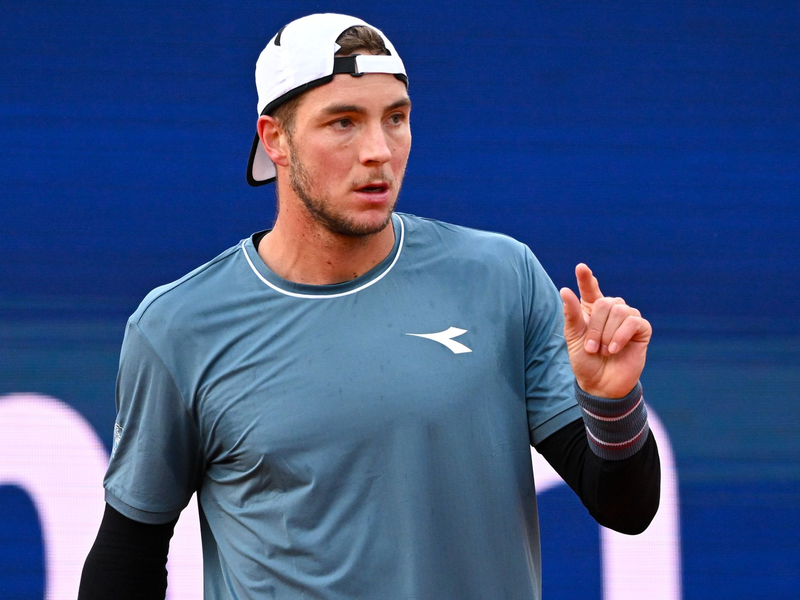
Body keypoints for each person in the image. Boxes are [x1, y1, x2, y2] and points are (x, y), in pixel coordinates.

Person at [79, 13, 660, 600]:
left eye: (396, 118)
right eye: (344, 123)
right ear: (274, 138)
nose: (379, 151)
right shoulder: (179, 327)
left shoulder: (502, 277)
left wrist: (612, 404)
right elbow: (128, 556)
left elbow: (628, 508)